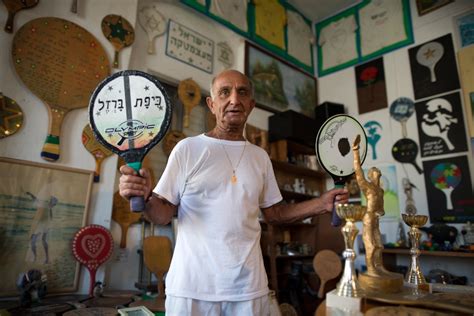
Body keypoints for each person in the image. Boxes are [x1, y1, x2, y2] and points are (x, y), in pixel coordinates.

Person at [119, 69, 348, 316]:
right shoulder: (188, 149)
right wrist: (145, 197)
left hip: (248, 289)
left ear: (251, 104)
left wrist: (322, 204)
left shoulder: (260, 157)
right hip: (191, 289)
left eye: (242, 93)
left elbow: (275, 213)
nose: (234, 100)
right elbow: (162, 214)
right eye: (225, 92)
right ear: (212, 103)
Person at [352, 135, 390, 276]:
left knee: (379, 245)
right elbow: (358, 171)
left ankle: (379, 267)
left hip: (376, 217)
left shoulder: (380, 190)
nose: (378, 171)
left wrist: (381, 211)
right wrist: (355, 150)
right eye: (375, 170)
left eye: (378, 171)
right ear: (370, 175)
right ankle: (371, 268)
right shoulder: (367, 186)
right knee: (371, 244)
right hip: (368, 217)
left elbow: (381, 207)